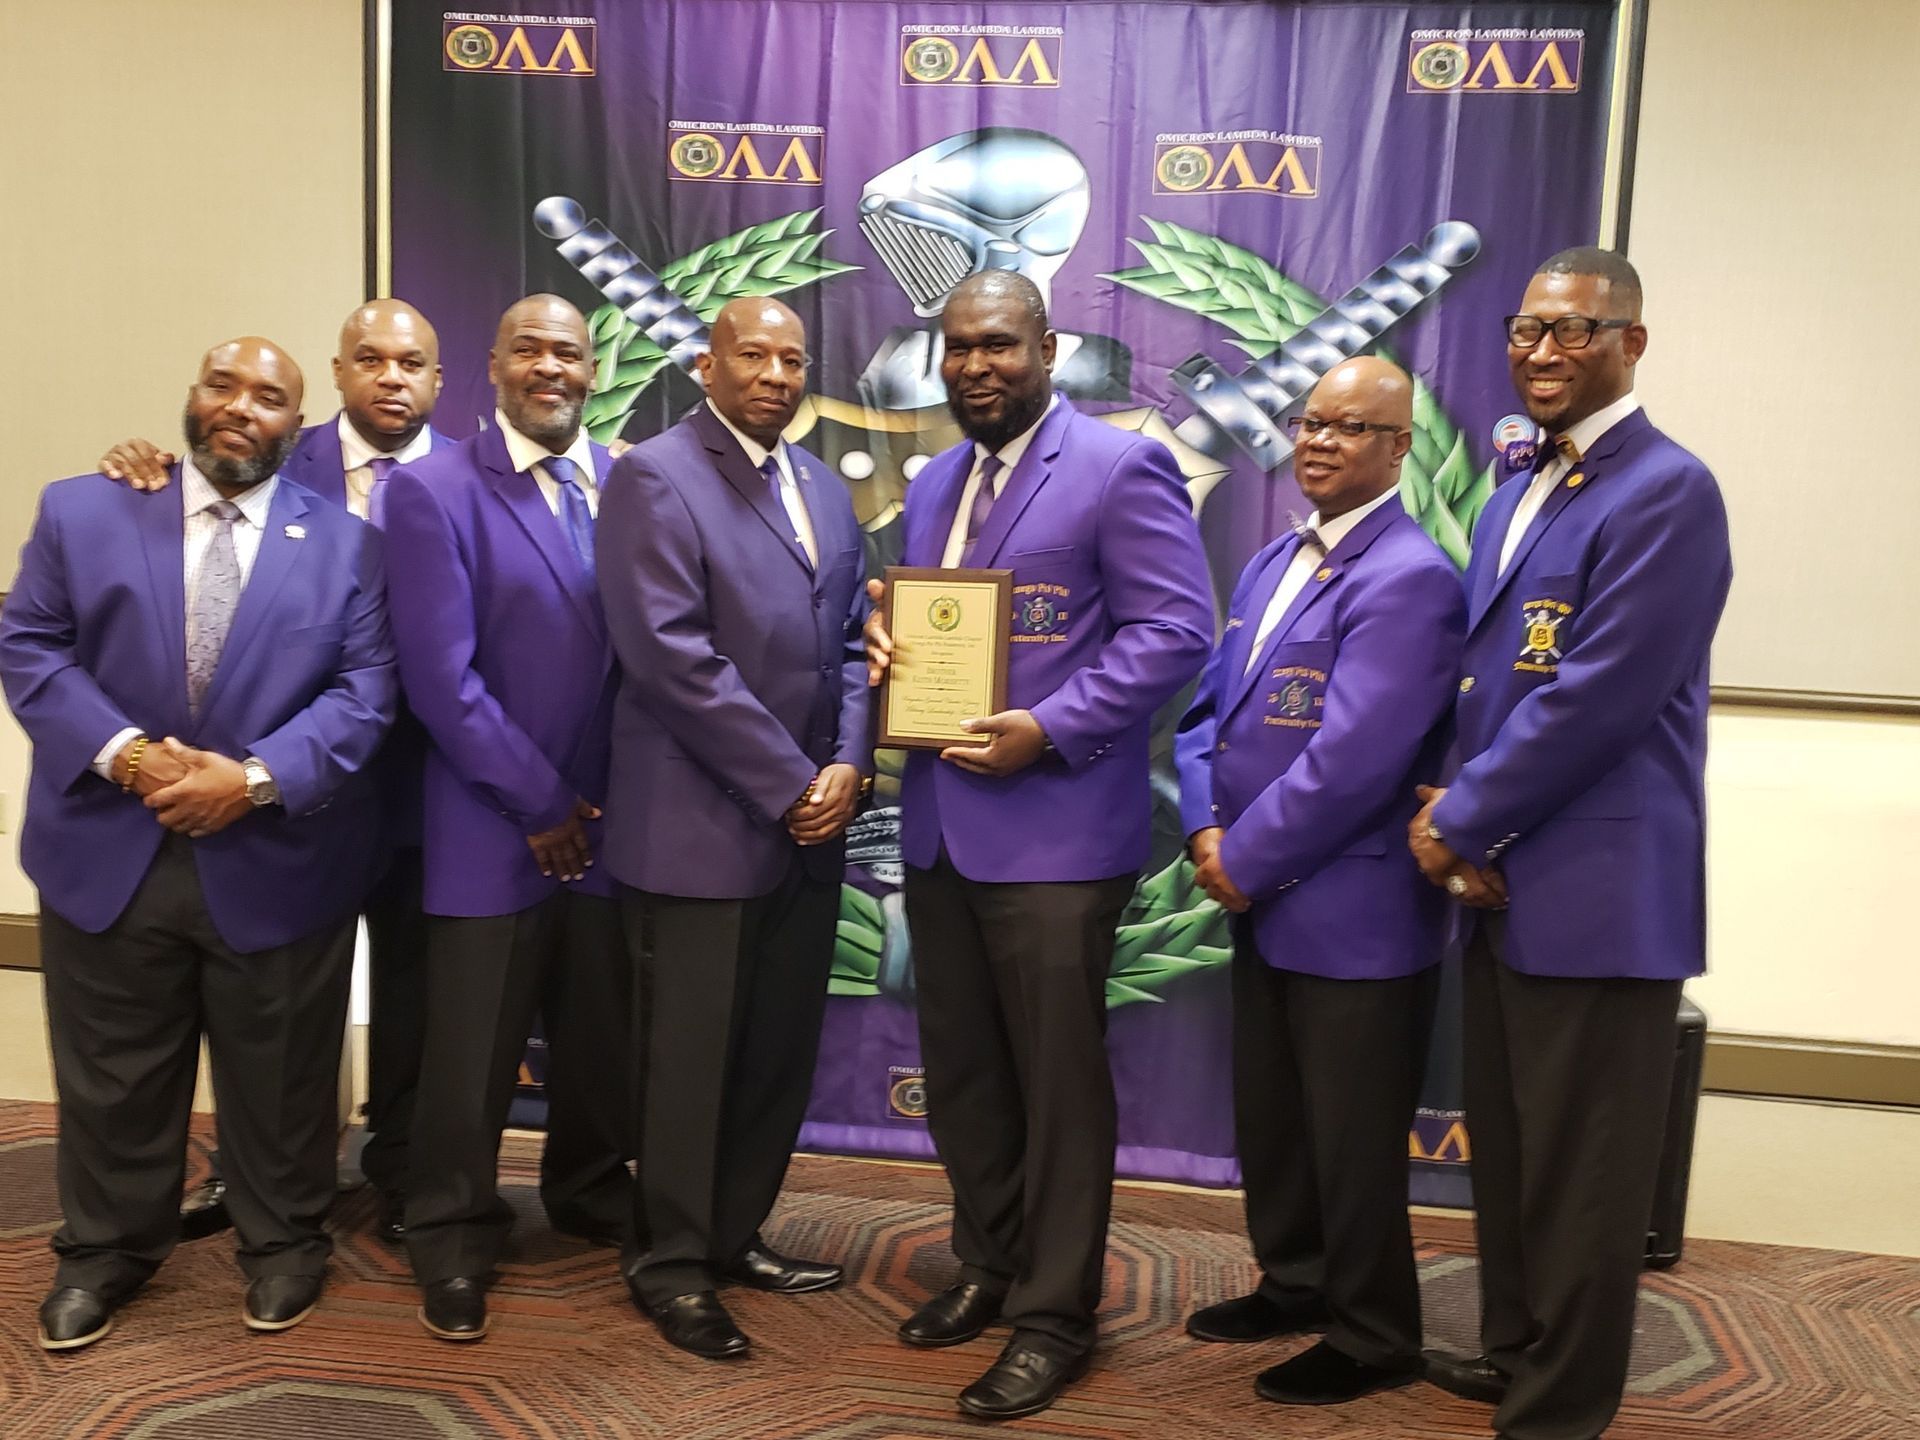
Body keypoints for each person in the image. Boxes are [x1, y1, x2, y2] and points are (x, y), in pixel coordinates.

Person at [0, 338, 396, 1348]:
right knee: (114, 1075)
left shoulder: (348, 545)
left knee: (281, 1077)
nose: (242, 408)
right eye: (224, 385)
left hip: (276, 858)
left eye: (270, 398)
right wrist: (129, 758)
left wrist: (252, 780)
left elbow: (365, 696)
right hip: (108, 850)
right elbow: (29, 646)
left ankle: (282, 1246)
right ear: (192, 398)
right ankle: (107, 1252)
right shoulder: (85, 508)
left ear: (295, 426)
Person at [865, 271, 1212, 1419]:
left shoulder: (1121, 466)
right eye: (958, 347)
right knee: (966, 1079)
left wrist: (1051, 727)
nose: (976, 366)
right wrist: (886, 646)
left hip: (1059, 839)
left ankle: (1056, 1315)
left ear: (1048, 349)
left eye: (999, 345)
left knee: (1058, 1087)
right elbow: (935, 622)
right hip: (943, 834)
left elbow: (1177, 629)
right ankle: (991, 1266)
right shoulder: (939, 484)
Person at [1410, 248, 1731, 1440]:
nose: (1543, 354)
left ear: (1631, 343)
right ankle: (1515, 1349)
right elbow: (1491, 681)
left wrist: (1457, 819)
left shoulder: (1669, 490)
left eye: (1573, 333)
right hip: (1498, 872)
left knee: (1587, 1174)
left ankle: (1562, 1405)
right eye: (1527, 332)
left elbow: (1601, 696)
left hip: (1597, 884)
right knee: (1513, 1151)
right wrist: (1463, 816)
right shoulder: (1516, 487)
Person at [99, 299, 453, 1243]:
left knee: (416, 993)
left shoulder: (472, 479)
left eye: (410, 363)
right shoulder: (260, 455)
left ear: (436, 380)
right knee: (286, 1002)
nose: (389, 377)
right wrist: (140, 467)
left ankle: (403, 1168)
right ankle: (269, 1170)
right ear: (334, 376)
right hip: (285, 797)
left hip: (431, 792)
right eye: (368, 359)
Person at [1172, 357, 1465, 1405]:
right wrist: (1204, 824)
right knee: (1279, 1118)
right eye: (1311, 421)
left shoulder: (1413, 579)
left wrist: (1240, 861)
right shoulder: (1268, 563)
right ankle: (1295, 1282)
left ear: (1398, 449)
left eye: (1352, 427)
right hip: (1260, 892)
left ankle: (1378, 1333)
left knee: (1350, 1138)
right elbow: (1206, 715)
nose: (1321, 441)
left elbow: (1357, 760)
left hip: (1356, 911)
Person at [595, 298, 870, 1359]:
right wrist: (790, 780)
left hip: (807, 827)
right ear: (707, 364)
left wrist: (846, 763)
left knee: (771, 1055)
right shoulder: (656, 474)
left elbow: (852, 640)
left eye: (793, 358)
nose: (774, 372)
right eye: (752, 353)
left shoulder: (818, 488)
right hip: (700, 826)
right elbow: (669, 656)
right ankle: (669, 1265)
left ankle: (733, 1232)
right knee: (689, 1059)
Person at [383, 294, 630, 1343]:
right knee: (472, 1053)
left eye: (568, 352)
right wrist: (541, 804)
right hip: (495, 824)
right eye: (529, 349)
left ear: (592, 368)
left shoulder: (626, 481)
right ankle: (450, 1232)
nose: (550, 368)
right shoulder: (431, 491)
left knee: (601, 1036)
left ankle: (583, 1190)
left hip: (614, 825)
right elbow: (442, 681)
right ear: (492, 367)